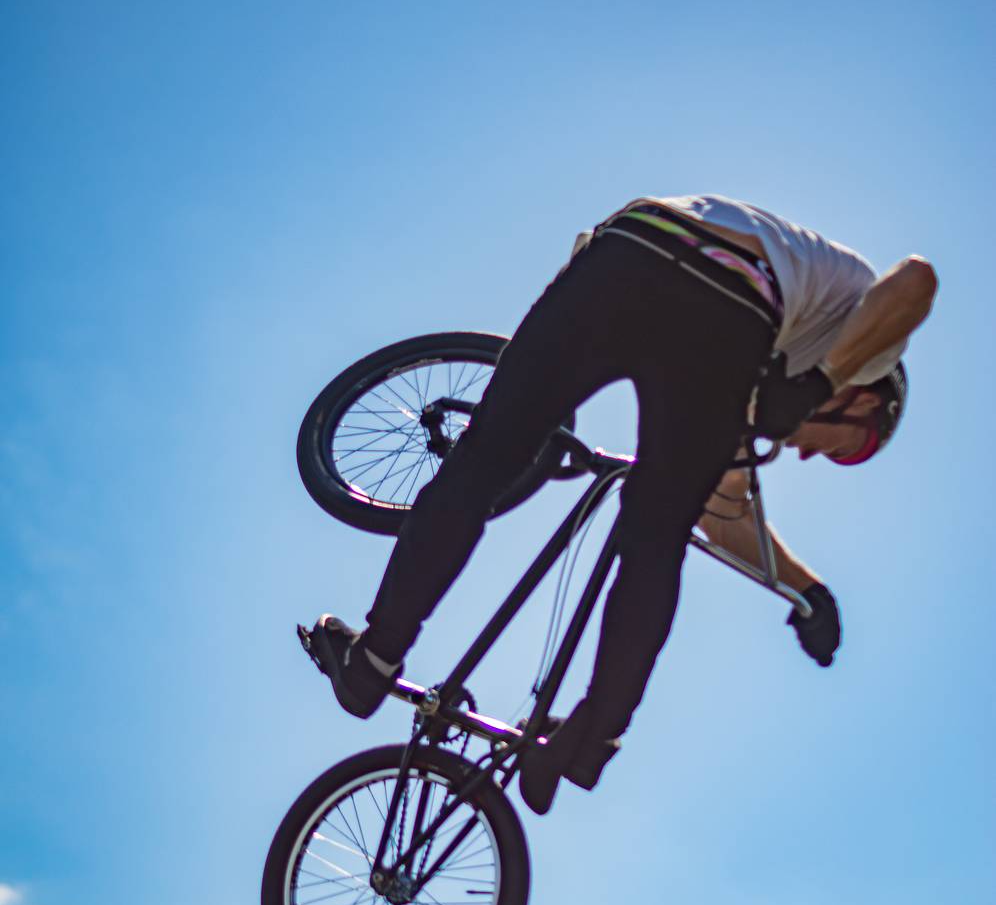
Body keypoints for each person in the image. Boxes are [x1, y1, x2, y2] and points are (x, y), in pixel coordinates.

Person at [306, 194, 938, 814]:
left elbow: (724, 519)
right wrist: (819, 385)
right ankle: (592, 743)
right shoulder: (870, 352)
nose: (808, 456)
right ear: (867, 404)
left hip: (623, 256)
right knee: (653, 540)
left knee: (484, 462)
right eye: (844, 452)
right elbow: (918, 279)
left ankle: (374, 660)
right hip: (725, 290)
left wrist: (808, 592)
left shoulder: (762, 388)